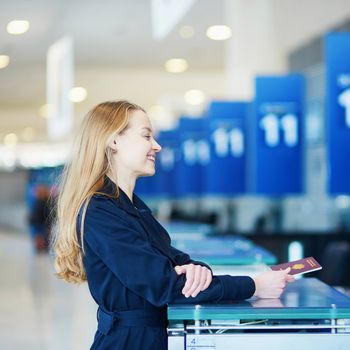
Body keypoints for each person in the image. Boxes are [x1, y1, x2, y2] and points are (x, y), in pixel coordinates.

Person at [52, 100, 294, 350]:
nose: (156, 146)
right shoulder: (100, 210)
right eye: (146, 136)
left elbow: (176, 261)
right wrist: (254, 285)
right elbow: (163, 285)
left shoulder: (132, 206)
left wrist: (196, 270)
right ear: (113, 141)